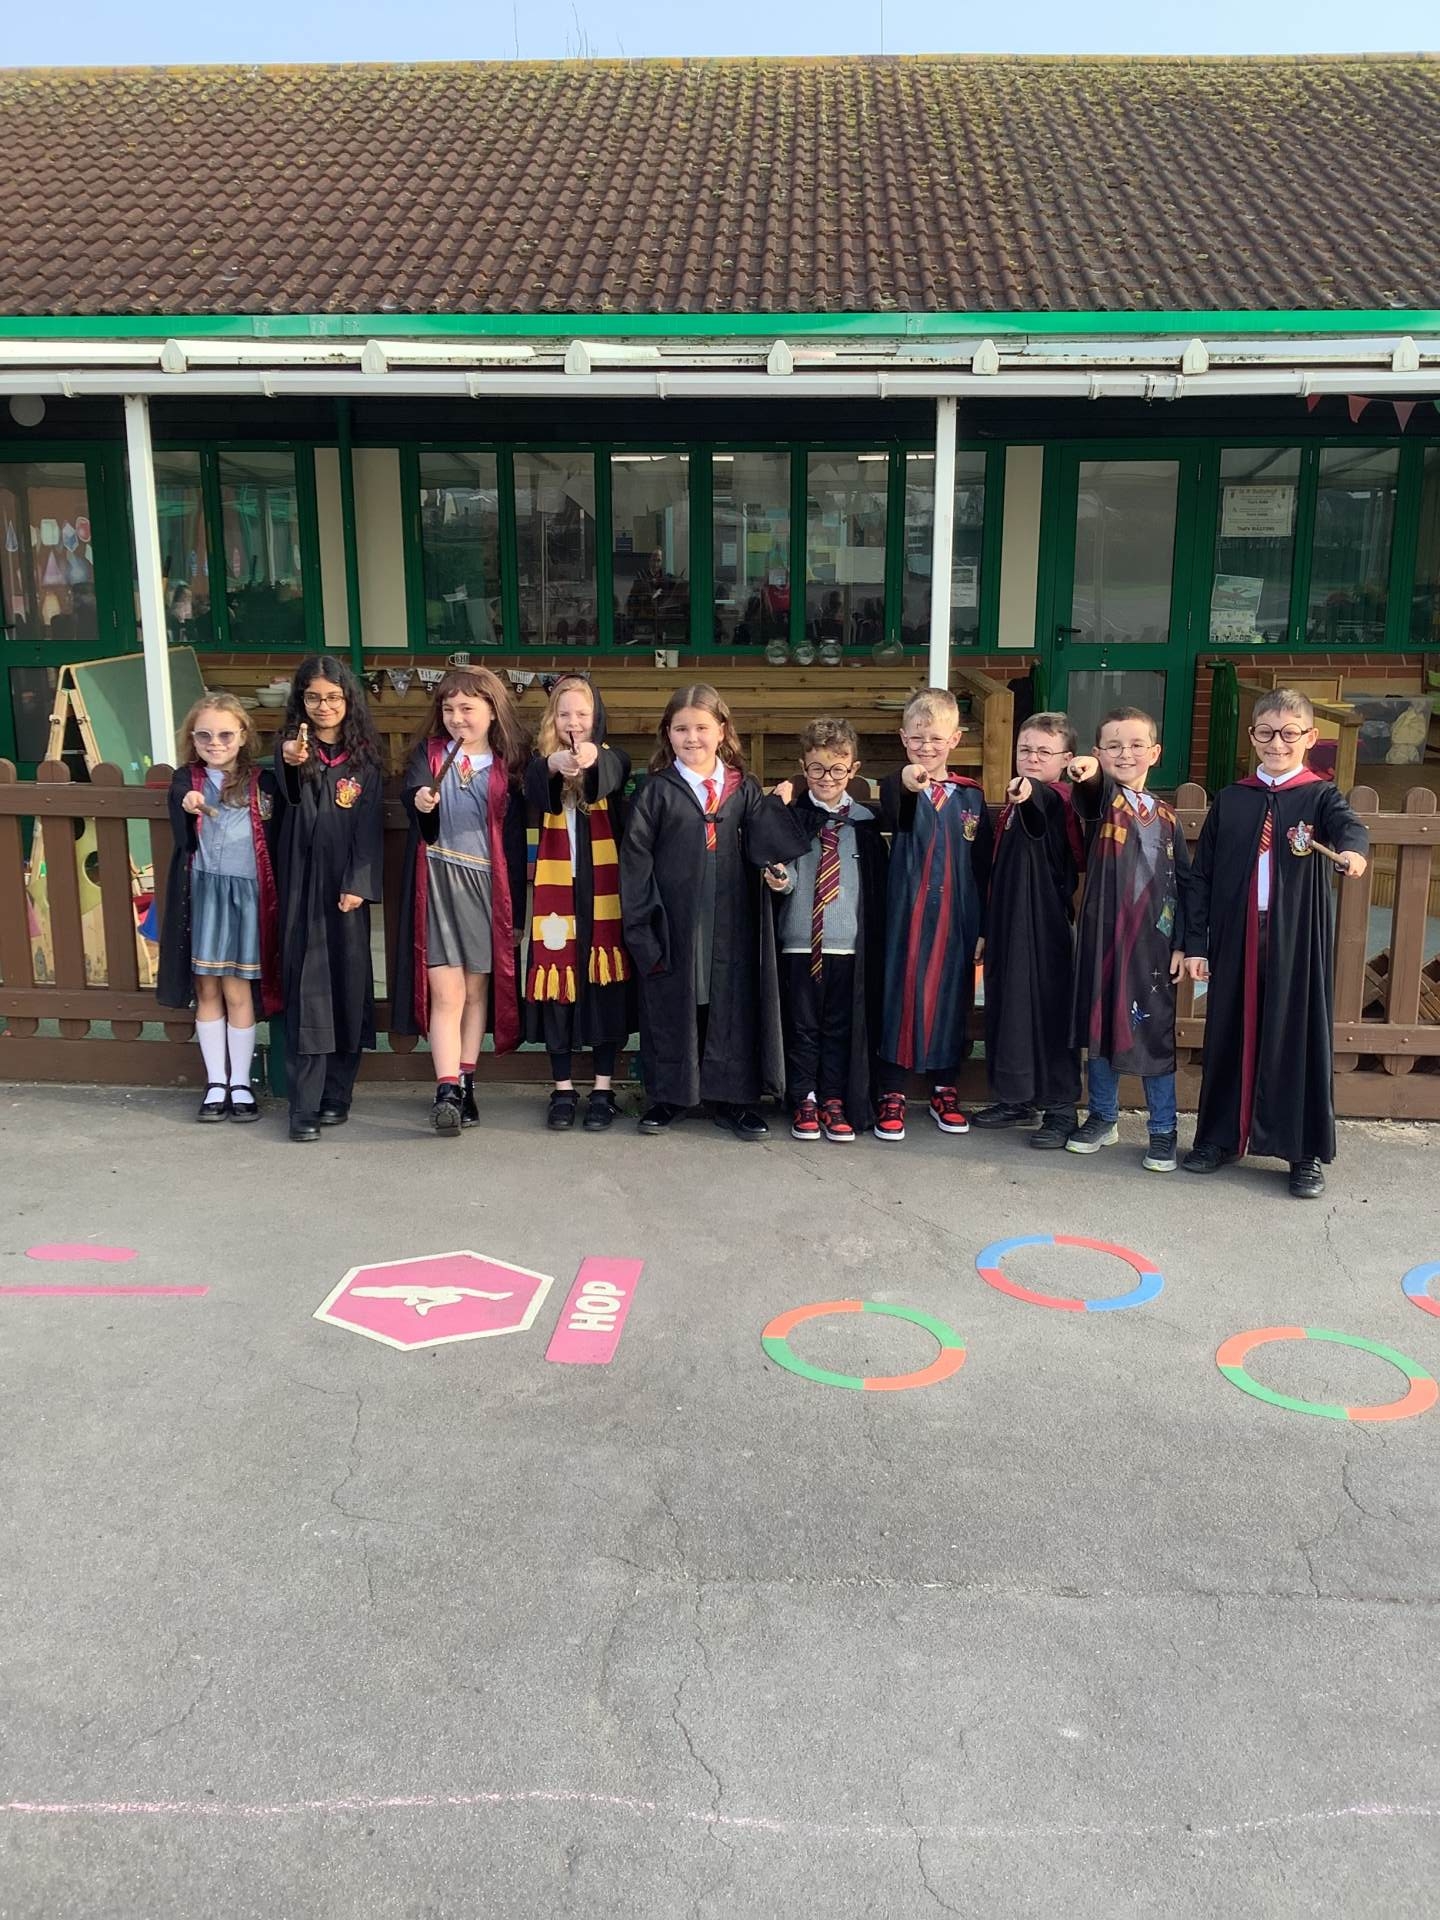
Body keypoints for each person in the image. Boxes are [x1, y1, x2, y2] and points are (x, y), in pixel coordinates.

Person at [1182, 689, 1369, 1199]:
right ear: (1252, 736)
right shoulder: (1233, 799)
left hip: (1294, 938)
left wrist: (1353, 852)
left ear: (1310, 737)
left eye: (1289, 733)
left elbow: (1350, 828)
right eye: (1266, 732)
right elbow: (1201, 877)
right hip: (1237, 936)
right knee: (1228, 1033)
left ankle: (1302, 1153)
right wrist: (1196, 944)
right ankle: (1219, 1139)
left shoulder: (1320, 797)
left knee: (1297, 1037)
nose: (1277, 743)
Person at [619, 682, 806, 1139]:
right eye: (681, 728)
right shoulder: (656, 792)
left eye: (702, 727)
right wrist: (642, 927)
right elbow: (636, 863)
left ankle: (733, 1100)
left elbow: (766, 849)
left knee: (731, 1002)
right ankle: (670, 1096)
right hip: (674, 920)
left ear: (722, 730)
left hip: (732, 918)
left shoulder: (743, 789)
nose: (692, 738)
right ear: (668, 733)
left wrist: (777, 864)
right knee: (676, 1002)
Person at [392, 666, 528, 1136]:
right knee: (446, 993)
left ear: (492, 711)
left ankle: (467, 1082)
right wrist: (420, 801)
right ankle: (446, 1089)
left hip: (486, 888)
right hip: (437, 881)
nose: (456, 718)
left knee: (474, 991)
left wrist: (516, 914)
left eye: (467, 708)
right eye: (448, 708)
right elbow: (413, 795)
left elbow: (514, 843)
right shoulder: (429, 755)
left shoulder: (508, 766)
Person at [1064, 707, 1191, 1173]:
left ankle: (1163, 1129)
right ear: (1098, 753)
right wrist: (1086, 772)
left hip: (1155, 948)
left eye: (1136, 745)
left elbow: (1185, 883)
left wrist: (1184, 943)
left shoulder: (1168, 817)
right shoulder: (1103, 803)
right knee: (1100, 1029)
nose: (1125, 753)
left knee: (1154, 1033)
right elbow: (1091, 788)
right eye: (1113, 746)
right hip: (1104, 941)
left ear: (1155, 753)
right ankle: (1102, 1116)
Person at [872, 687, 992, 1143]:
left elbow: (983, 867)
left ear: (955, 739)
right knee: (897, 996)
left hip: (956, 920)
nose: (926, 746)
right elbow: (896, 809)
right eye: (917, 738)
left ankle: (945, 1088)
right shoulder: (898, 787)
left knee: (952, 998)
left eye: (936, 738)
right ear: (904, 738)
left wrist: (982, 926)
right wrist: (908, 780)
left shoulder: (970, 798)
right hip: (904, 918)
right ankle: (892, 1091)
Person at [273, 656, 385, 1144]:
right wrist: (289, 760)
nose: (324, 706)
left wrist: (359, 882)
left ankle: (339, 1092)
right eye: (314, 697)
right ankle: (304, 1104)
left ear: (348, 700)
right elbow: (287, 796)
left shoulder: (364, 761)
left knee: (348, 984)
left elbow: (369, 827)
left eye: (333, 697)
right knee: (307, 990)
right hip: (301, 887)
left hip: (345, 892)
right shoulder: (293, 751)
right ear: (301, 701)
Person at [157, 693, 284, 1122]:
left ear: (244, 735)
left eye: (226, 734)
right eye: (205, 735)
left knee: (237, 990)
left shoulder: (263, 782)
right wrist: (189, 802)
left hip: (248, 897)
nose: (215, 743)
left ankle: (241, 1083)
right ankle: (216, 1082)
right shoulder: (186, 779)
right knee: (207, 989)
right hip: (203, 895)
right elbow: (181, 802)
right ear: (192, 739)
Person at [764, 717, 888, 1142]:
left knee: (839, 1027)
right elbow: (788, 876)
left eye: (837, 768)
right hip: (800, 944)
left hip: (848, 948)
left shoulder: (865, 824)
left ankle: (833, 1099)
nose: (827, 777)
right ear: (804, 767)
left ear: (853, 769)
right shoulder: (794, 819)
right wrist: (780, 880)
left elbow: (874, 890)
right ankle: (805, 1098)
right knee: (802, 1026)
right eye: (817, 768)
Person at [523, 672, 633, 1132]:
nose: (573, 722)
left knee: (604, 984)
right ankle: (563, 1088)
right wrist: (553, 764)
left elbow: (612, 772)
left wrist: (590, 758)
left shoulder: (613, 757)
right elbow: (533, 785)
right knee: (557, 989)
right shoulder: (538, 764)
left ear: (596, 717)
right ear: (552, 718)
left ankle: (603, 1088)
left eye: (582, 714)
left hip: (602, 893)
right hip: (555, 894)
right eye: (564, 713)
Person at [971, 712, 1085, 1150]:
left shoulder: (1058, 799)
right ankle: (1017, 1097)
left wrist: (1030, 791)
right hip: (1007, 920)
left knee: (1050, 1011)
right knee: (1010, 1006)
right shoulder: (1011, 808)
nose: (1032, 758)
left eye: (1044, 752)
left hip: (1045, 921)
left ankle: (1060, 1109)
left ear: (1067, 759)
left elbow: (1043, 806)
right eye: (1025, 750)